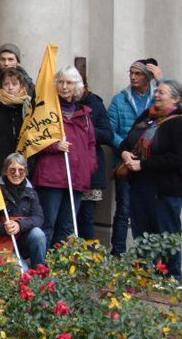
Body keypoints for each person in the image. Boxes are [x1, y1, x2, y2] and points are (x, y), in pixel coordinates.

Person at [118, 77, 182, 279]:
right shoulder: (147, 117)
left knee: (166, 234)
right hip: (140, 185)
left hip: (165, 189)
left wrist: (143, 164)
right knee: (142, 232)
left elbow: (177, 158)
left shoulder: (181, 124)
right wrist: (124, 153)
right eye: (157, 91)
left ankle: (170, 278)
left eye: (161, 92)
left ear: (176, 100)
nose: (156, 95)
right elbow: (128, 141)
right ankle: (145, 274)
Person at [31, 66, 97, 247]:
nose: (64, 86)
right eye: (61, 82)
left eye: (69, 83)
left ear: (76, 86)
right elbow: (33, 139)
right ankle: (41, 266)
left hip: (76, 177)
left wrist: (89, 166)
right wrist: (53, 146)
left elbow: (91, 144)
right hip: (50, 177)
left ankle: (61, 268)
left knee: (68, 227)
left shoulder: (84, 115)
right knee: (48, 223)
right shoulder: (47, 111)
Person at [107, 58, 160, 255]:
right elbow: (109, 130)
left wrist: (162, 80)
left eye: (137, 73)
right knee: (124, 209)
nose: (133, 77)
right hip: (126, 161)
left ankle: (148, 256)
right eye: (131, 73)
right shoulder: (120, 99)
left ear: (148, 76)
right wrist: (123, 150)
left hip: (149, 163)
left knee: (149, 209)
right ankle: (118, 253)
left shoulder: (158, 97)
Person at [0, 153, 47, 269]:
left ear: (26, 172)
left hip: (21, 240)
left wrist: (19, 225)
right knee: (22, 273)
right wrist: (4, 228)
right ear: (5, 171)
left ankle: (39, 271)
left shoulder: (31, 191)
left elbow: (38, 217)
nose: (17, 174)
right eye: (12, 170)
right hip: (0, 242)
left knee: (38, 234)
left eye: (21, 170)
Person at [75, 67, 112, 241]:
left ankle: (88, 257)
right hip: (67, 169)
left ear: (84, 86)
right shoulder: (58, 103)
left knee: (86, 217)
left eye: (74, 84)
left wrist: (83, 130)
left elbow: (107, 134)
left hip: (89, 169)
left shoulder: (94, 103)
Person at [0, 65, 33, 174]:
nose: (10, 88)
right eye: (6, 84)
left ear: (21, 86)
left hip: (24, 162)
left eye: (14, 84)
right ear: (1, 86)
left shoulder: (29, 107)